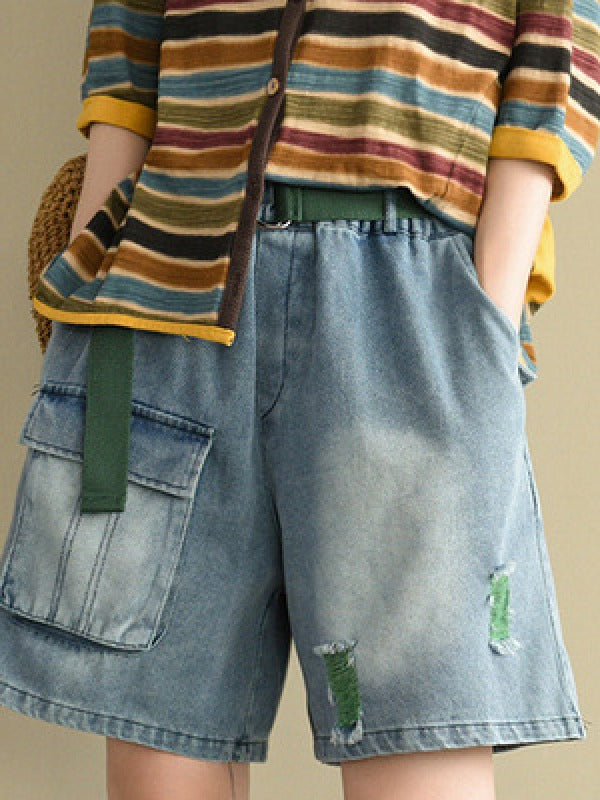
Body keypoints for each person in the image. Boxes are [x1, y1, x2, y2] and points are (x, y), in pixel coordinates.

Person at [0, 1, 598, 798]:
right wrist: (92, 287)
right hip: (164, 300)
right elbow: (126, 60)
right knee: (160, 764)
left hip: (406, 318)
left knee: (420, 750)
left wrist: (485, 308)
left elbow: (557, 58)